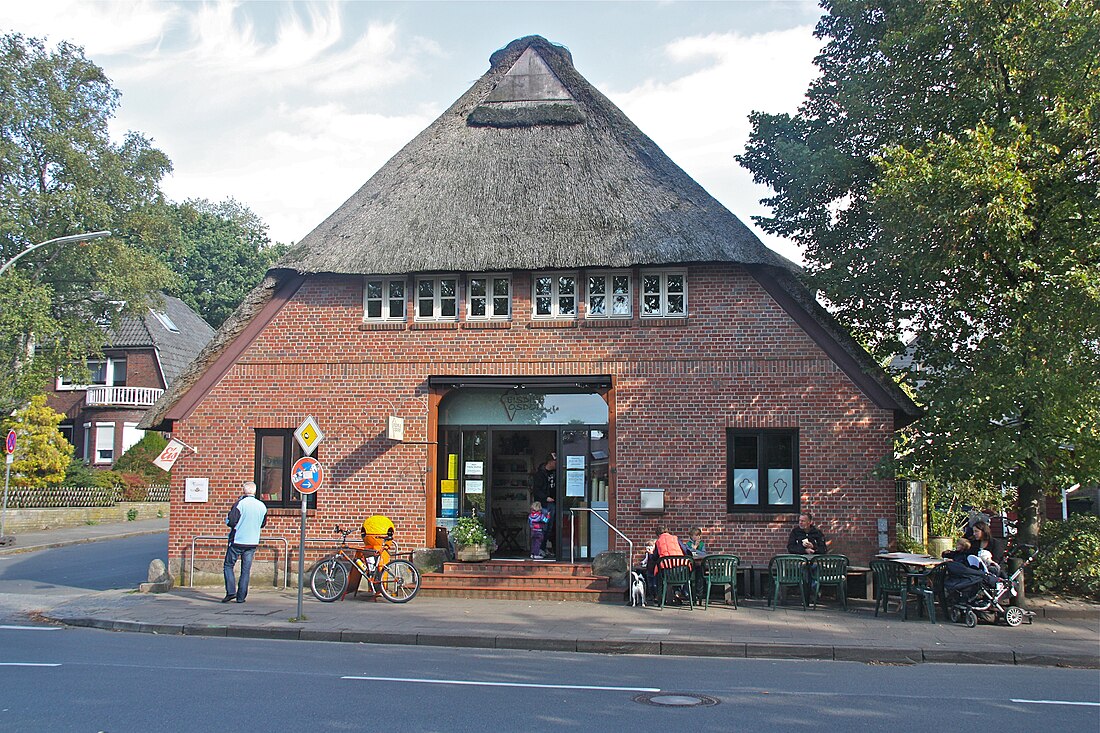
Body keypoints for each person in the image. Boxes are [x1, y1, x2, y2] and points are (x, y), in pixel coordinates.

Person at [223, 480, 268, 603]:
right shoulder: (261, 506)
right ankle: (241, 597)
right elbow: (263, 523)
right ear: (255, 491)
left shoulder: (240, 504)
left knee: (228, 565)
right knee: (245, 570)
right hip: (252, 541)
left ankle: (231, 591)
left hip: (238, 540)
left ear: (244, 491)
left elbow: (231, 521)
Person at [532, 453, 557, 553]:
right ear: (550, 462)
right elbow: (536, 490)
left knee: (550, 527)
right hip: (544, 504)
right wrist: (546, 498)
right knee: (543, 527)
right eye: (555, 461)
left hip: (552, 504)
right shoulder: (540, 474)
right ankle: (539, 549)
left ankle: (543, 548)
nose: (557, 464)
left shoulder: (555, 473)